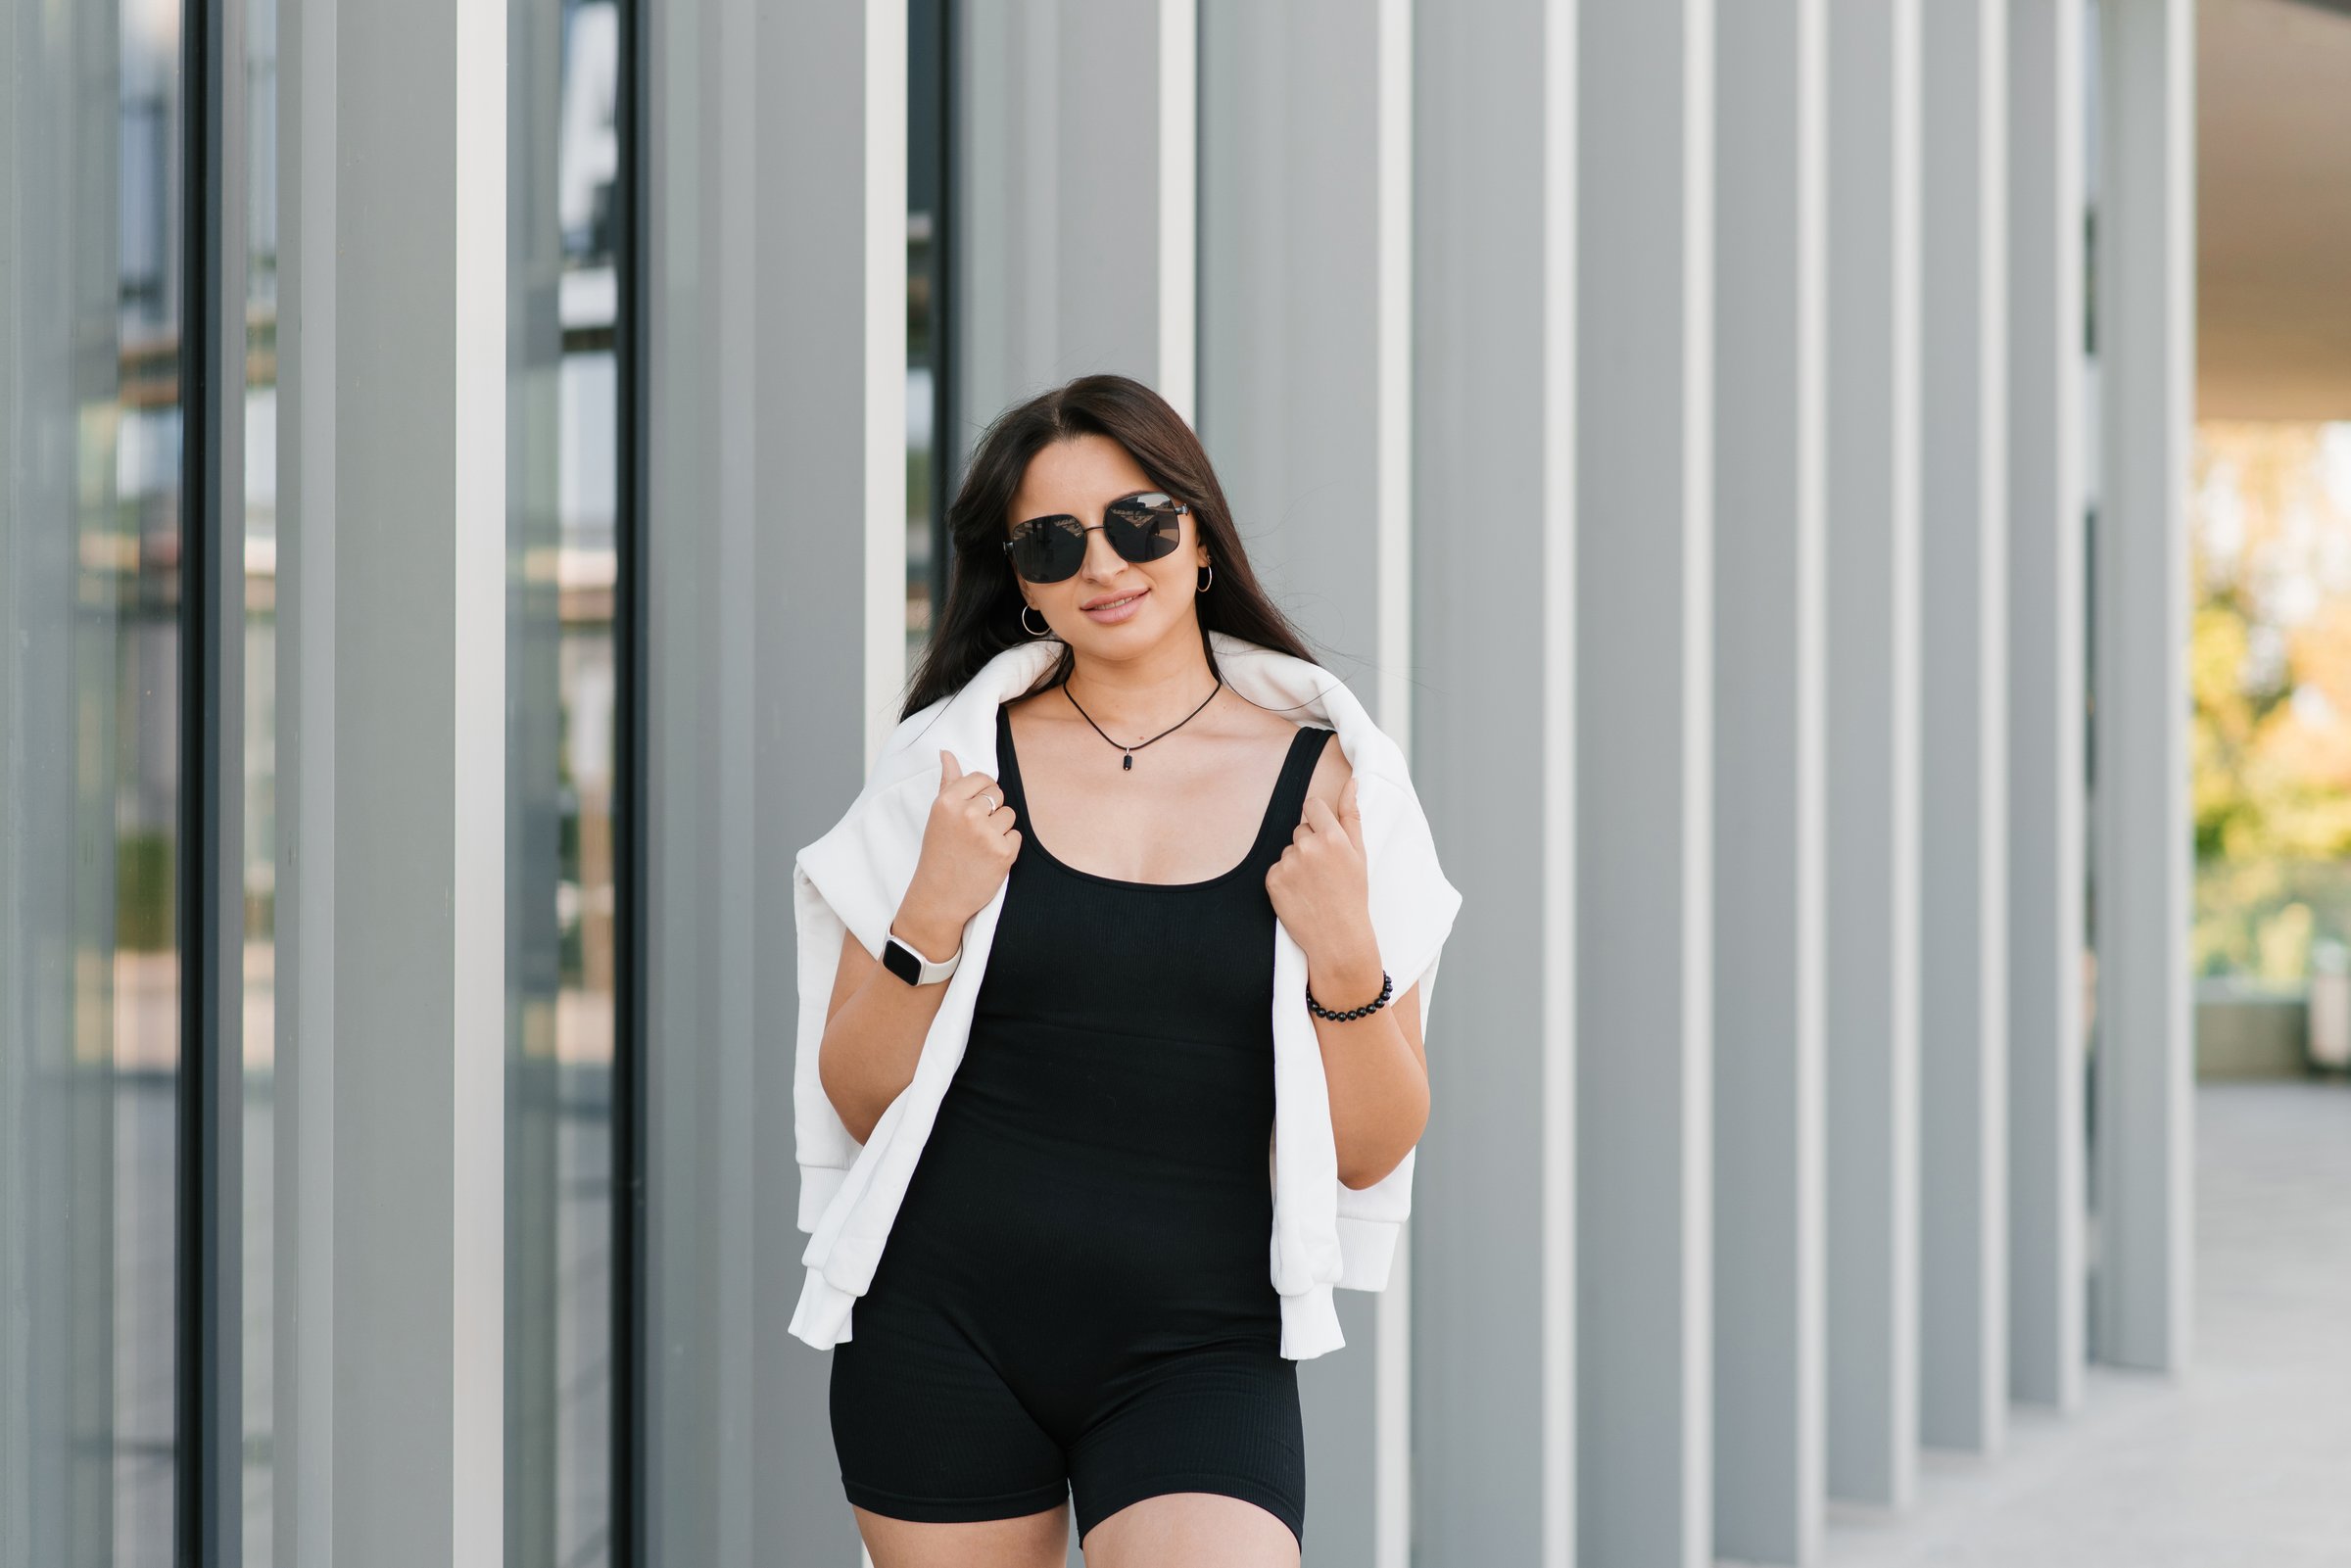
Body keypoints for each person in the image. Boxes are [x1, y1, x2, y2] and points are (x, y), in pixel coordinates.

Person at [808, 373, 1454, 1568]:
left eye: (1140, 521)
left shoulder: (1341, 788)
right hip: (941, 1324)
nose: (1103, 562)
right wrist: (931, 911)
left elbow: (1371, 1145)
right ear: (1021, 580)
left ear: (1201, 536)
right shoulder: (946, 769)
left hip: (1201, 1342)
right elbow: (856, 1093)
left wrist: (1344, 949)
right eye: (1053, 542)